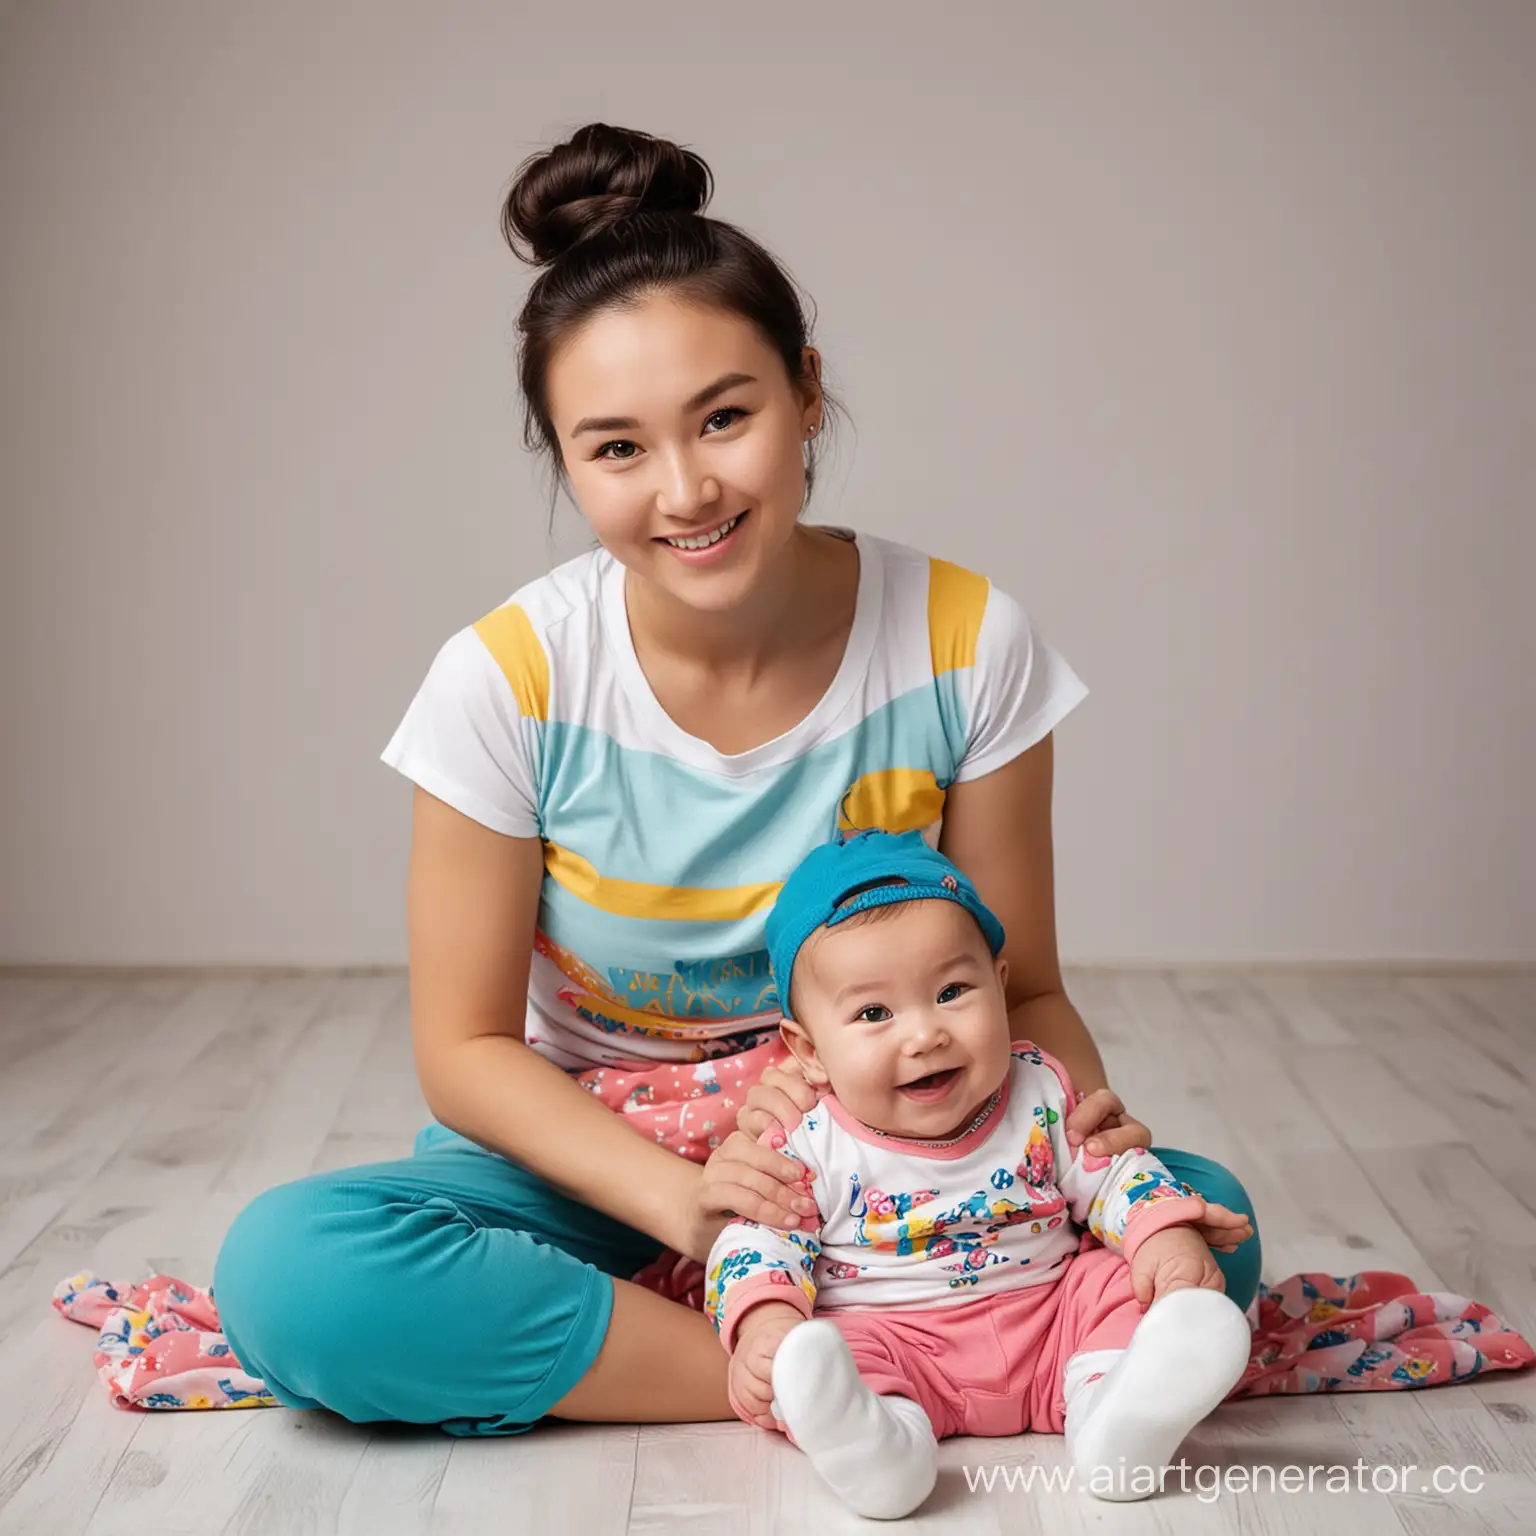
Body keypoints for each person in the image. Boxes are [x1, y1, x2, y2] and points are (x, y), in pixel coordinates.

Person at [210, 121, 1261, 1438]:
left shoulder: (963, 641)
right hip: (608, 1166)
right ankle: (839, 1369)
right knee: (295, 1274)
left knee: (1206, 1218)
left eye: (726, 417)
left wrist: (1085, 1156)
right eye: (616, 449)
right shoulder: (509, 682)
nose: (688, 489)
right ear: (562, 456)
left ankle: (851, 1367)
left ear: (806, 393)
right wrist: (684, 1202)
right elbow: (466, 1051)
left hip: (901, 1149)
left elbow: (1023, 985)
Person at [707, 829, 1255, 1517]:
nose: (924, 1034)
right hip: (896, 1338)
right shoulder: (807, 1143)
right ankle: (882, 1451)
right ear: (809, 1050)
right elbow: (758, 1240)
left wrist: (1162, 1239)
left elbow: (1113, 1175)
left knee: (1116, 1285)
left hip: (1049, 1316)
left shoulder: (1041, 1093)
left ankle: (1114, 1413)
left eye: (951, 991)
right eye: (874, 1013)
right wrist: (763, 1322)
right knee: (820, 1356)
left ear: (999, 986)